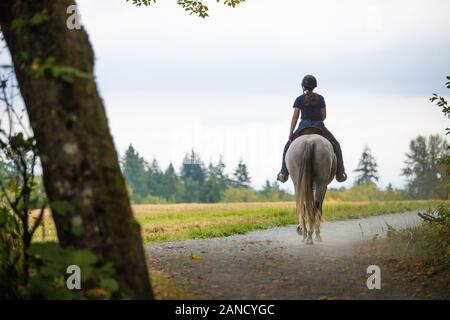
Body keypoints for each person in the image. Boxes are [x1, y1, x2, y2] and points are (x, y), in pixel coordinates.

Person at [277, 75, 347, 183]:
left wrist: (291, 132)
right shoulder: (320, 98)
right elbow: (324, 116)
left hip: (303, 127)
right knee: (336, 145)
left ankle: (283, 173)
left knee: (287, 146)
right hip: (319, 126)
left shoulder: (299, 99)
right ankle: (340, 173)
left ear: (303, 86)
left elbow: (295, 117)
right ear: (315, 86)